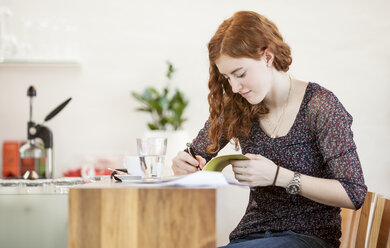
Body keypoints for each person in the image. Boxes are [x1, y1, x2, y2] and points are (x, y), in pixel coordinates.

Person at [171, 10, 367, 248]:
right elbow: (197, 155)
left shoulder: (320, 106)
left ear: (267, 57)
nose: (234, 87)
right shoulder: (238, 106)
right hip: (249, 237)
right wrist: (184, 164)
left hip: (308, 239)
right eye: (227, 78)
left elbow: (353, 193)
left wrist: (278, 176)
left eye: (239, 74)